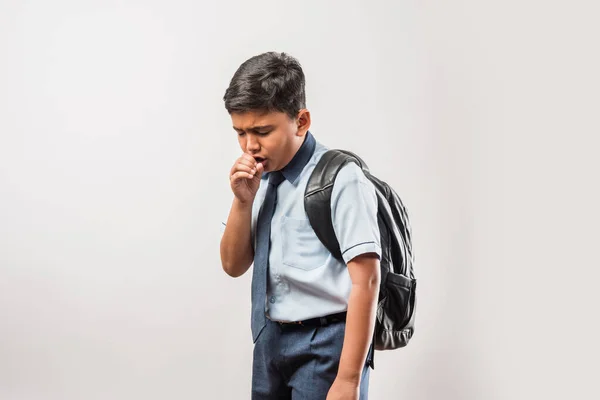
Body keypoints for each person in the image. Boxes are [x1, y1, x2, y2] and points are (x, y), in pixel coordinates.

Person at [219, 51, 381, 400]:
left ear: (301, 121)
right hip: (269, 339)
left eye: (262, 131)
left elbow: (366, 279)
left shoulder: (341, 179)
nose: (250, 145)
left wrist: (349, 379)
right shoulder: (260, 176)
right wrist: (242, 200)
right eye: (240, 132)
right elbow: (233, 266)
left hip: (326, 344)